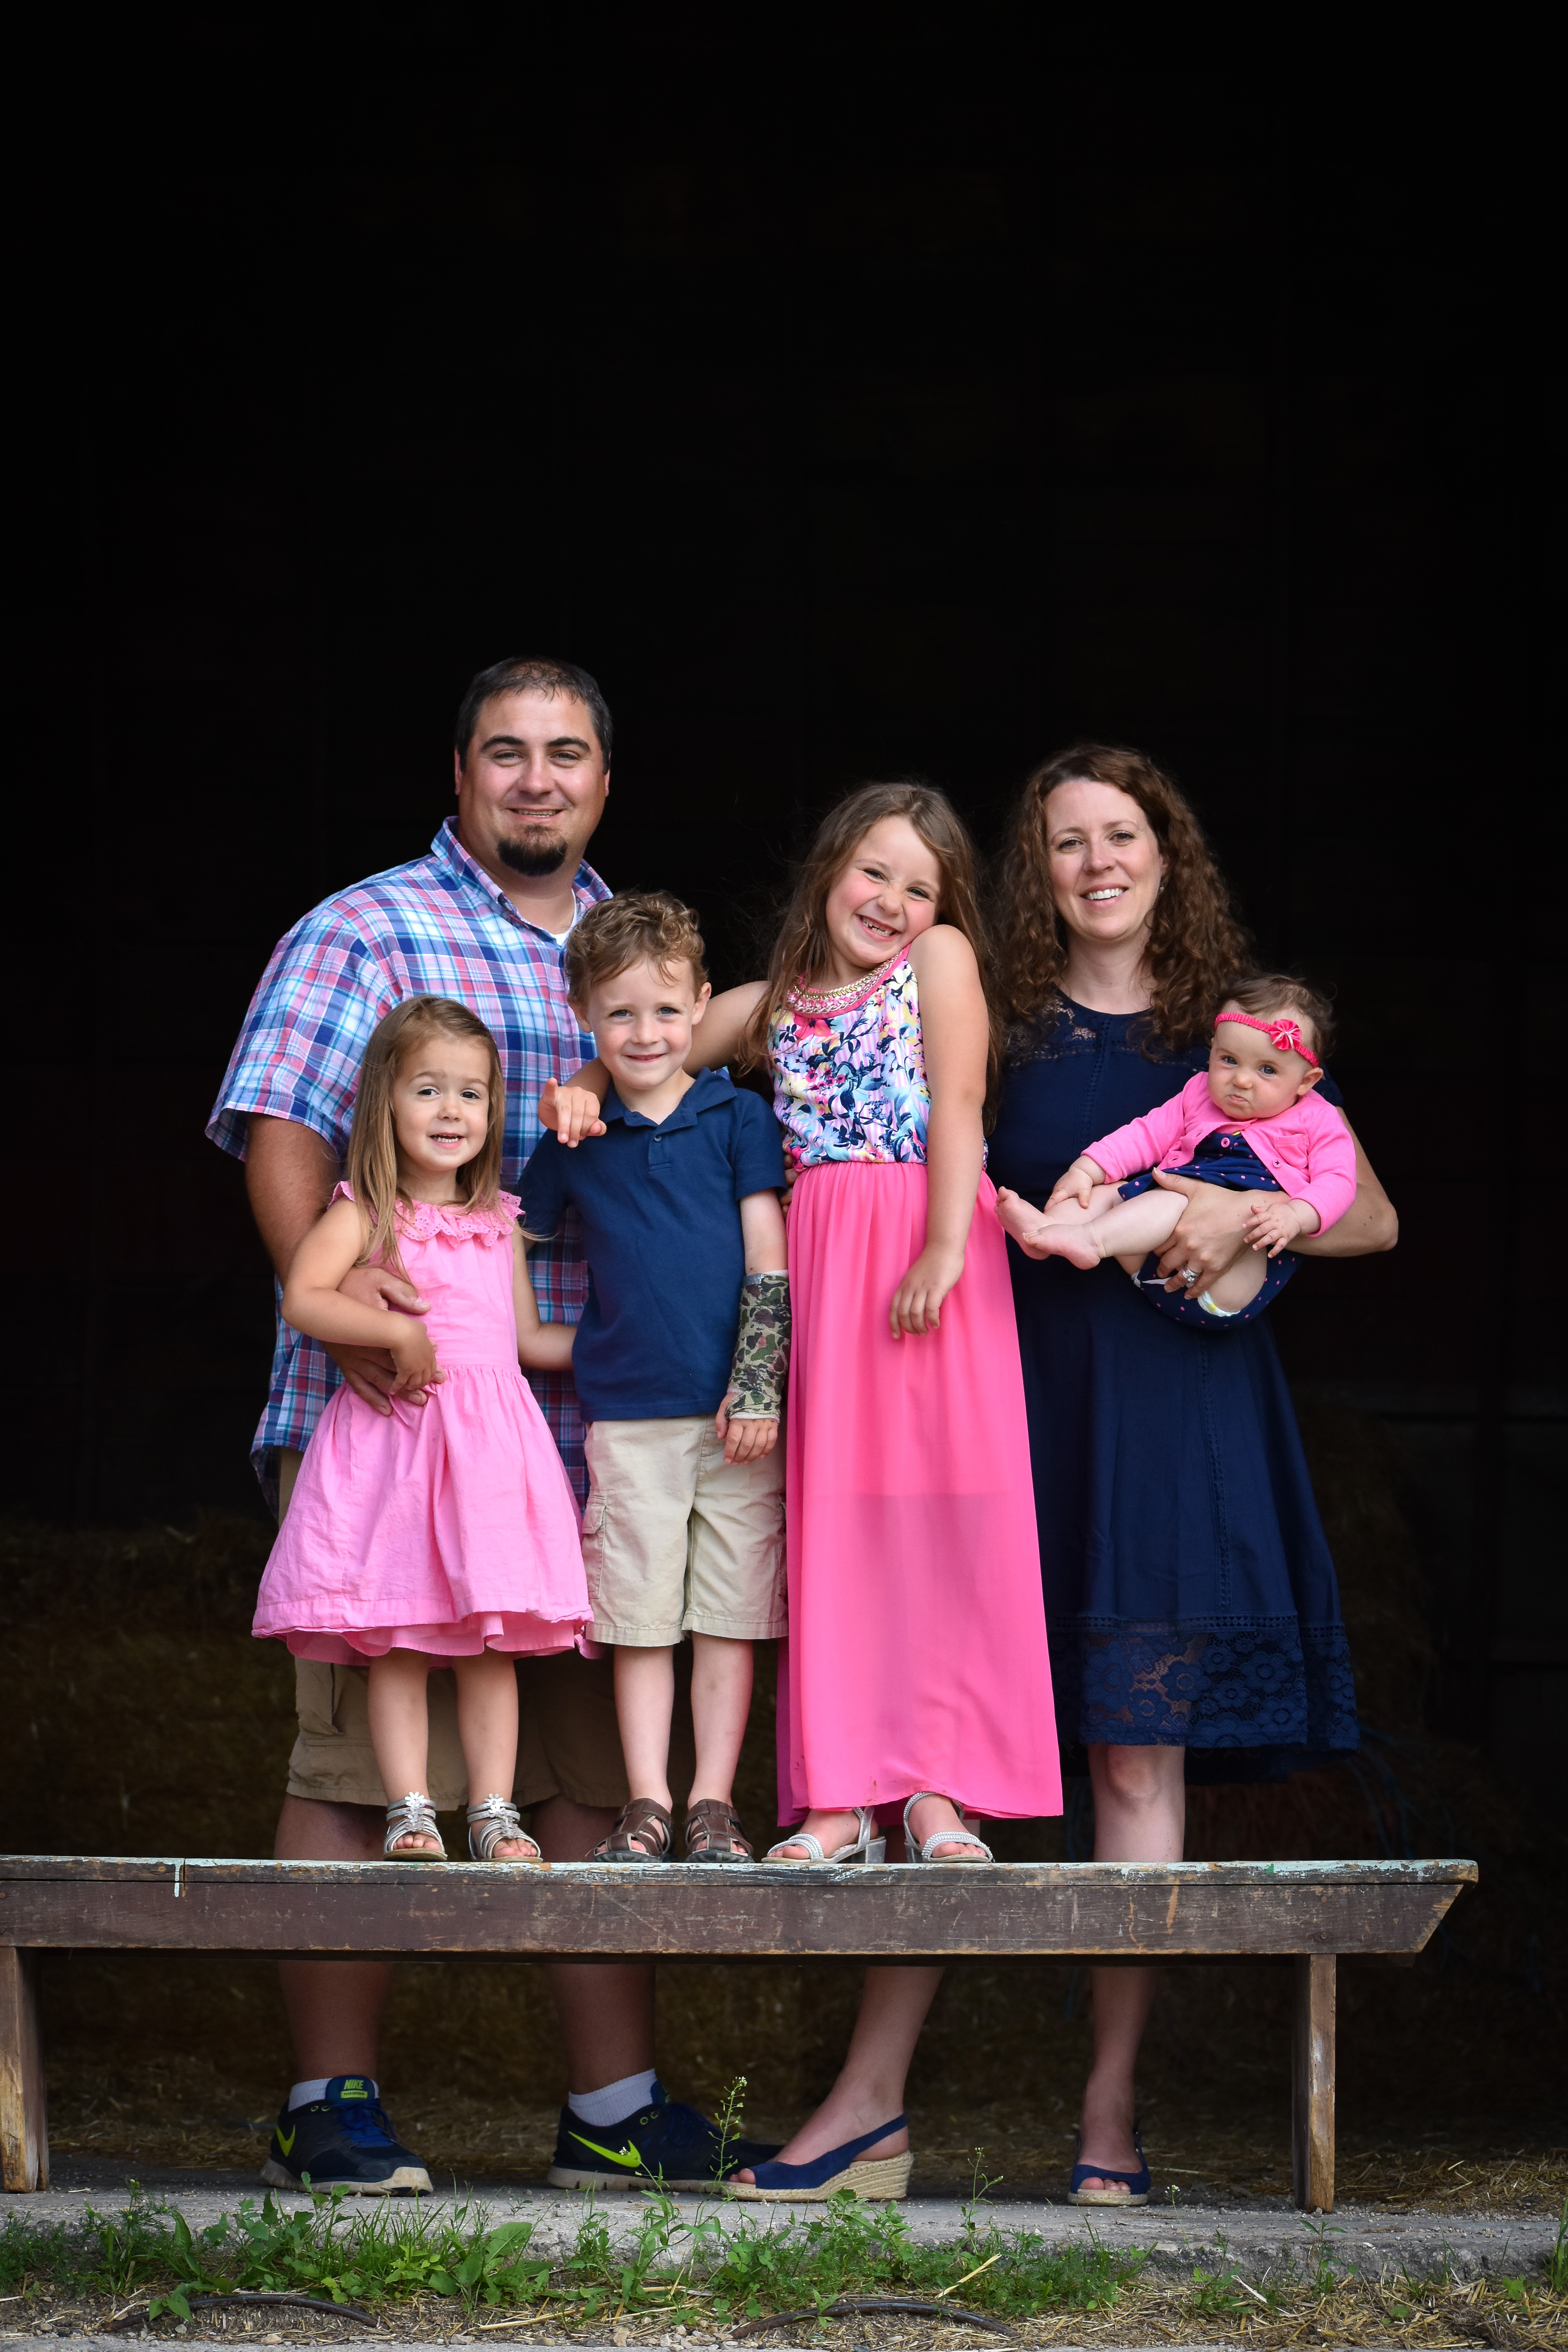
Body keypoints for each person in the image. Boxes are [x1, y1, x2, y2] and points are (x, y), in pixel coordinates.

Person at [210, 655, 776, 2196]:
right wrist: (356, 1320)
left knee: (584, 1774)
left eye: (567, 753)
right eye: (507, 753)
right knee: (358, 1758)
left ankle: (614, 2108)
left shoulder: (627, 953)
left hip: (587, 1430)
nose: (538, 778)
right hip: (390, 1417)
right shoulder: (364, 928)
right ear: (459, 775)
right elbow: (285, 1138)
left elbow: (759, 1031)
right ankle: (329, 2100)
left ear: (605, 780)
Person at [546, 783, 1060, 2201]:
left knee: (935, 1524)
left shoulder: (935, 962)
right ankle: (840, 1793)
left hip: (916, 1241)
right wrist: (583, 1086)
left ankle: (937, 1789)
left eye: (918, 883)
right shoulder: (769, 1001)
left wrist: (946, 1242)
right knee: (830, 1538)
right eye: (871, 873)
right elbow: (654, 1044)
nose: (891, 902)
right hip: (815, 1260)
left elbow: (959, 1103)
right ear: (827, 869)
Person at [985, 743, 1398, 2207]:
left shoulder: (1233, 1030)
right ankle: (875, 2098)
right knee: (951, 1752)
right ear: (1034, 870)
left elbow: (1369, 1216)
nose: (1096, 861)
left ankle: (1107, 2112)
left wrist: (1241, 1211)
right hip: (1021, 1404)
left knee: (1132, 1753)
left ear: (1168, 853)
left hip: (1175, 1417)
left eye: (1122, 833)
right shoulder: (1001, 1022)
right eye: (1065, 840)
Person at [253, 996, 590, 1865]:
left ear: (493, 1109)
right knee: (398, 1637)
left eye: (471, 1094)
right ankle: (410, 1811)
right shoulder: (365, 1212)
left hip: (487, 1459)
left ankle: (493, 1813)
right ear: (387, 1102)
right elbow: (305, 1296)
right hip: (397, 1452)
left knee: (488, 1643)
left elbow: (524, 1339)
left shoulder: (500, 1222)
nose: (451, 1111)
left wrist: (625, 1347)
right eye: (428, 1090)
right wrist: (398, 1334)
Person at [521, 894, 789, 1871]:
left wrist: (757, 1386)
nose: (645, 1033)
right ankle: (648, 1802)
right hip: (629, 1417)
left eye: (668, 1011)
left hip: (736, 1421)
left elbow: (768, 1259)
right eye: (621, 1014)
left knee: (728, 1615)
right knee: (638, 1618)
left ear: (702, 1006)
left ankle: (712, 1803)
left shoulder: (737, 1117)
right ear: (583, 1018)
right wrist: (523, 1336)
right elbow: (510, 1232)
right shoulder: (577, 1140)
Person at [996, 975, 1356, 1323]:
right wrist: (1088, 1169)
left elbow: (1338, 1181)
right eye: (1229, 1060)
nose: (1242, 1080)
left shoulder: (1319, 1119)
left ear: (1307, 1082)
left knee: (1173, 1199)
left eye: (1267, 1070)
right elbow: (1146, 1135)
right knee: (1111, 1194)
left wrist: (1296, 1216)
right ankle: (1043, 1233)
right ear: (1213, 1051)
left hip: (1227, 1280)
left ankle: (1090, 1242)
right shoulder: (1198, 1094)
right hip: (1154, 1254)